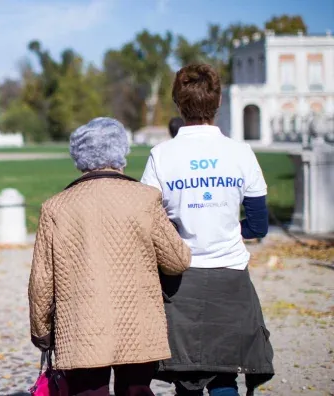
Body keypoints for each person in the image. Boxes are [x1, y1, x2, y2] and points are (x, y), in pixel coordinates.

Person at [28, 117, 192, 396]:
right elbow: (177, 261)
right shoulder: (145, 198)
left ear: (78, 158)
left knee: (89, 391)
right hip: (138, 322)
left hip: (81, 324)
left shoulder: (56, 207)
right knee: (136, 389)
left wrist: (41, 330)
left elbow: (42, 280)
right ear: (121, 154)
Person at [140, 64, 274, 396]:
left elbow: (148, 220)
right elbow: (259, 225)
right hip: (231, 276)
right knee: (225, 374)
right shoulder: (241, 153)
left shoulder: (161, 155)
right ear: (218, 102)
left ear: (178, 102)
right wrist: (226, 225)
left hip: (180, 278)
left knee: (188, 377)